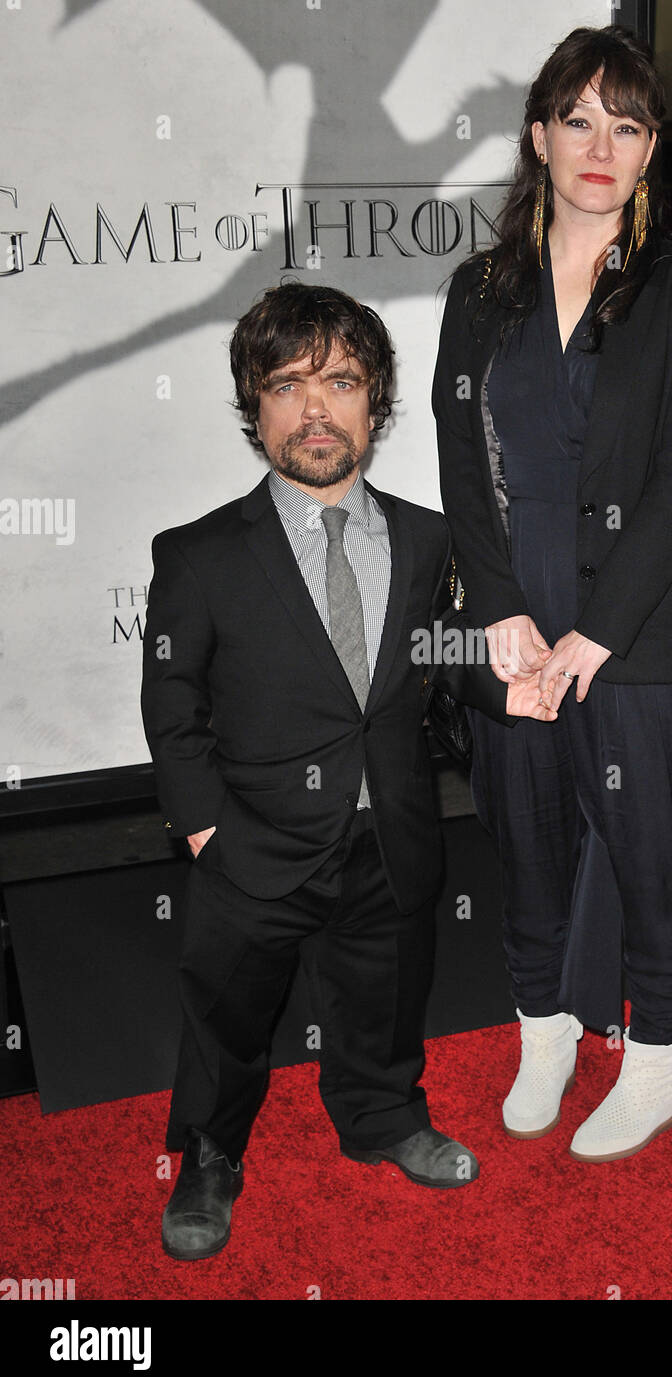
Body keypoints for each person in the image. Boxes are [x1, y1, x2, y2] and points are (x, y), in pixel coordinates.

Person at [141, 283, 553, 1261]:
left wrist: (511, 694)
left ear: (376, 402)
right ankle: (207, 1154)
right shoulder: (197, 556)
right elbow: (172, 700)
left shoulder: (424, 539)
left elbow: (439, 663)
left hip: (390, 829)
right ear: (254, 406)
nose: (315, 408)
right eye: (286, 386)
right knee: (226, 1016)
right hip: (253, 839)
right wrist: (205, 829)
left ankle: (381, 1117)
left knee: (385, 993)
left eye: (340, 382)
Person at [432, 25, 672, 1162]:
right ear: (537, 136)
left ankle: (657, 1053)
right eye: (579, 120)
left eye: (628, 125)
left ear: (651, 150)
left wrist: (596, 636)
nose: (600, 145)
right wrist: (503, 609)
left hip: (639, 623)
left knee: (650, 847)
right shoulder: (481, 287)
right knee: (527, 834)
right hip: (512, 615)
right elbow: (464, 458)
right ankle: (544, 1033)